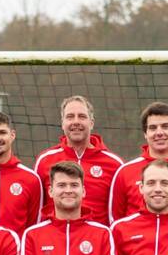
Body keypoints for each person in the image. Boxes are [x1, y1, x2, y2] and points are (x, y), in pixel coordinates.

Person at [34, 95, 123, 224]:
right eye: (70, 117)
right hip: (55, 240)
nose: (76, 122)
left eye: (82, 116)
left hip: (96, 241)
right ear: (62, 123)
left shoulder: (114, 164)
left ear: (91, 123)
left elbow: (118, 216)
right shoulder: (45, 160)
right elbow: (37, 210)